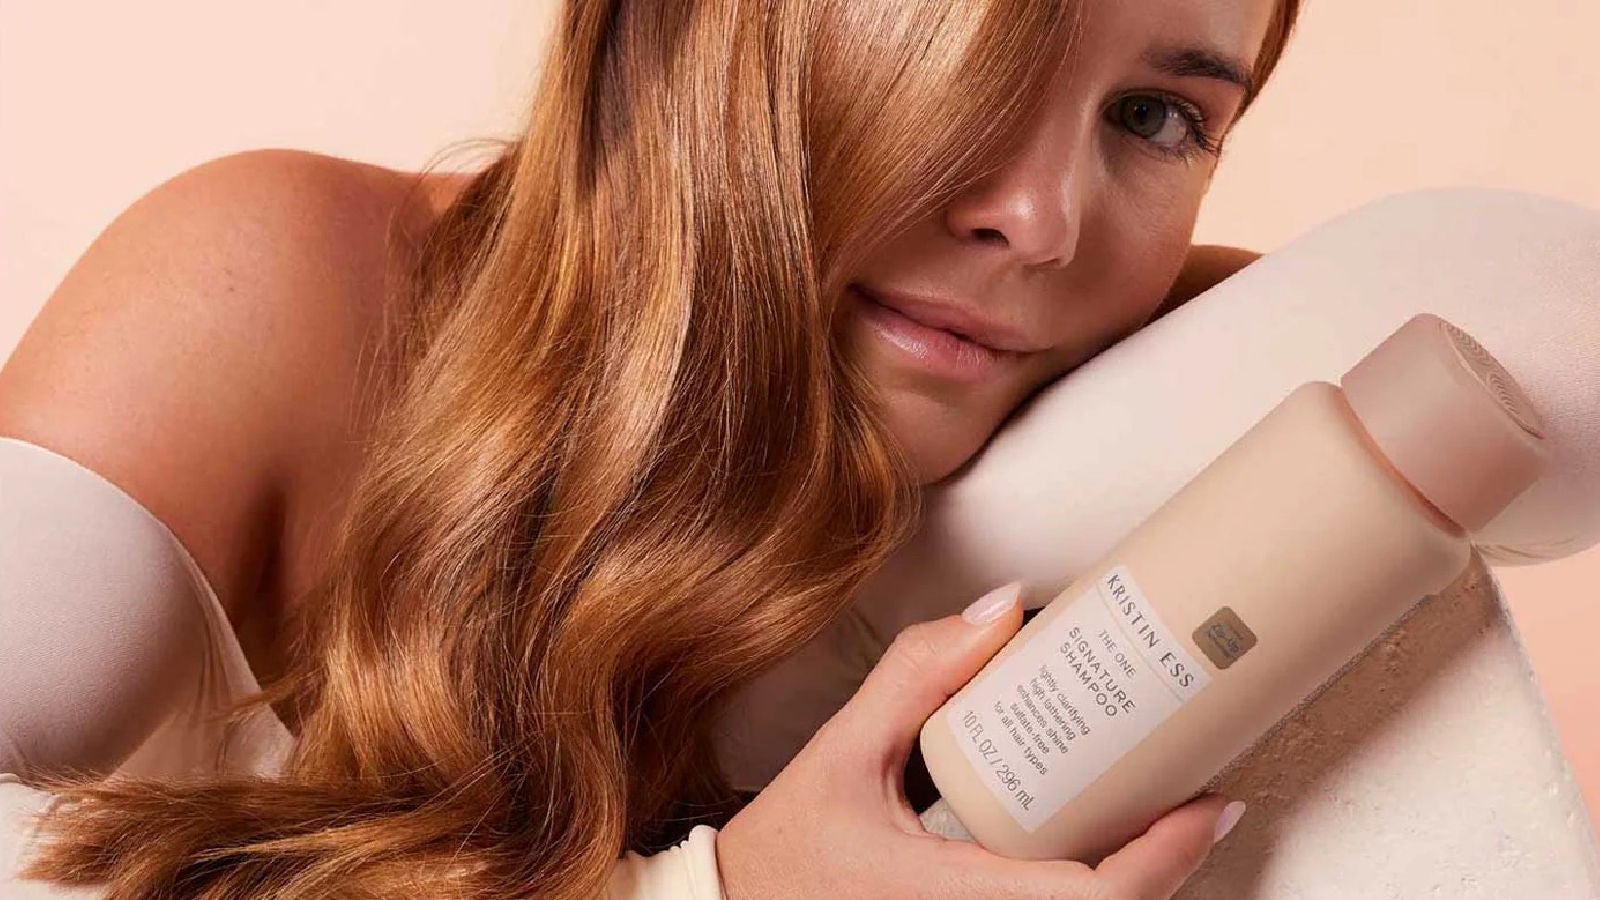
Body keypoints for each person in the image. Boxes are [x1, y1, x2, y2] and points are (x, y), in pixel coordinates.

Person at [0, 0, 1301, 896]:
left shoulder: (1160, 404)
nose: (1040, 219)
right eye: (955, 46)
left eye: (1156, 118)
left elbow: (1505, 314)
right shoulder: (280, 293)